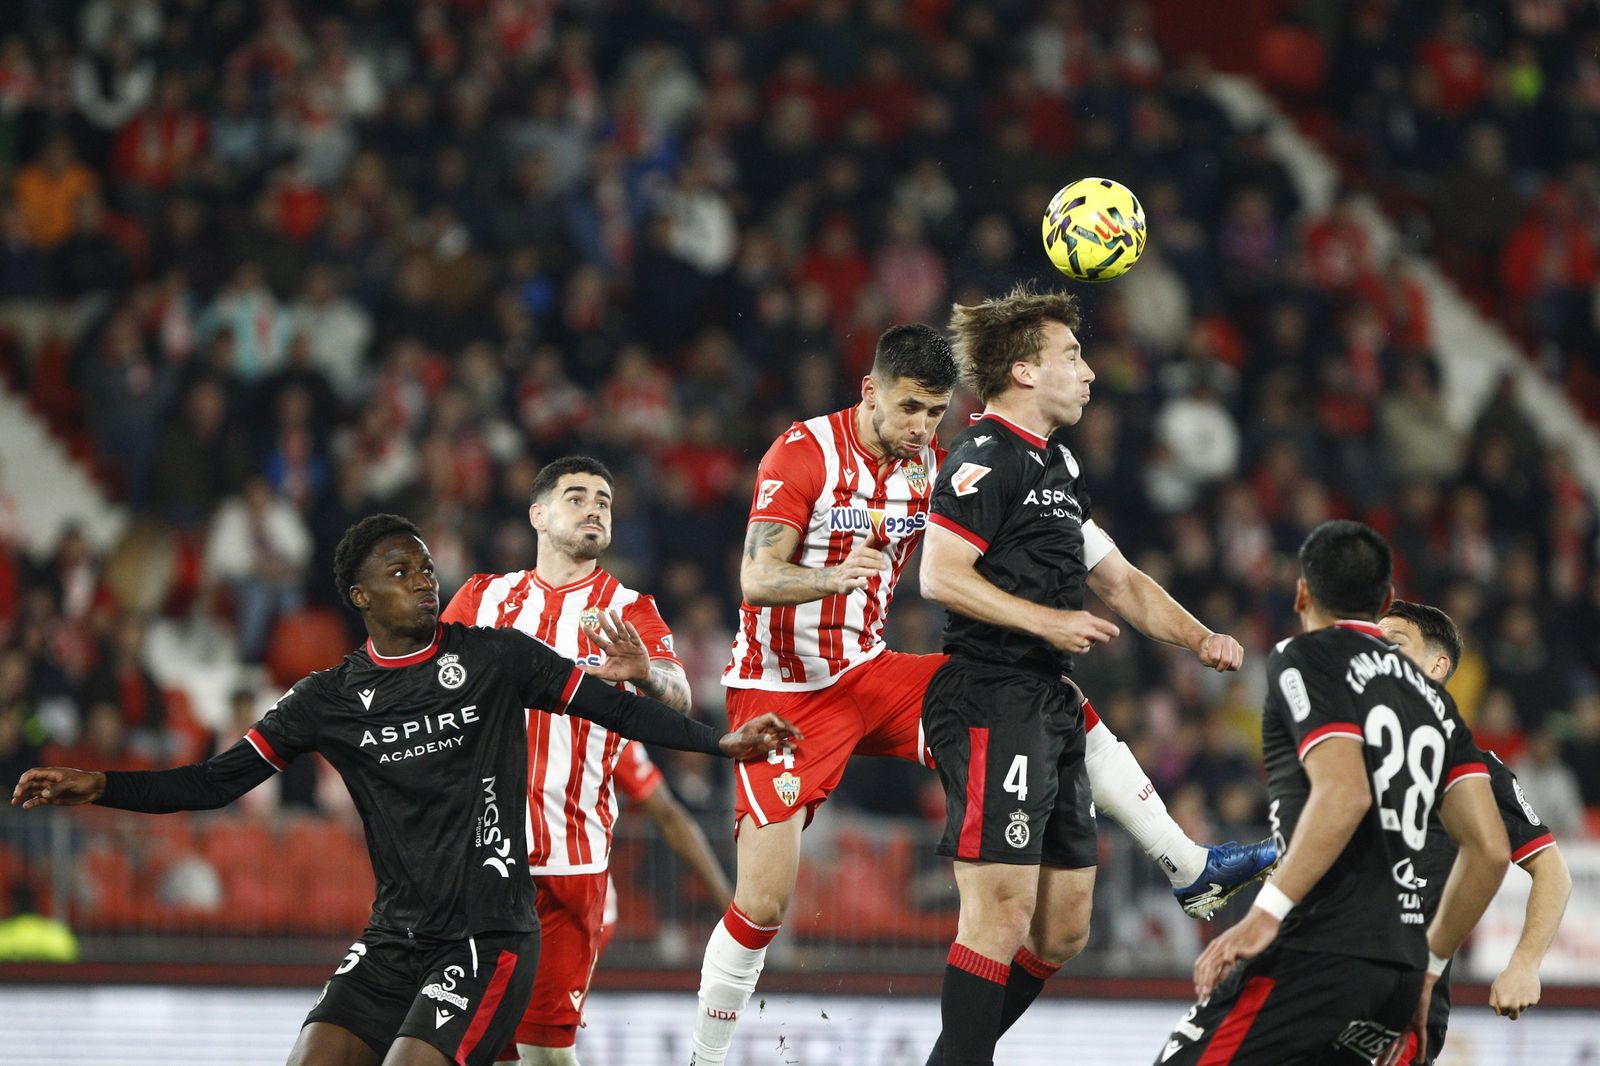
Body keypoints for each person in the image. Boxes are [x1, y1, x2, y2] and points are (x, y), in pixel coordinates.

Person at [690, 321, 1273, 1066]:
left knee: (1029, 691)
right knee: (764, 904)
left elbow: (1106, 569)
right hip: (782, 694)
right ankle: (706, 1059)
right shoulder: (802, 453)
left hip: (871, 673)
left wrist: (1192, 634)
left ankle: (1182, 862)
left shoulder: (936, 464)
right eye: (907, 409)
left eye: (934, 413)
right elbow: (755, 579)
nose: (920, 428)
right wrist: (825, 578)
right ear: (869, 390)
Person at [11, 514, 797, 1066]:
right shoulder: (327, 697)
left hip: (487, 936)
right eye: (401, 571)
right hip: (394, 938)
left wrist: (722, 743)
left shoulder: (493, 657)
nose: (424, 581)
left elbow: (614, 706)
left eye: (426, 567)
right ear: (360, 597)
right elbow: (216, 782)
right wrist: (98, 784)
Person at [917, 284, 1265, 1066]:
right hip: (988, 694)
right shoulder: (983, 457)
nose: (1090, 373)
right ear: (1023, 373)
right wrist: (1048, 621)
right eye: (1071, 357)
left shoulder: (1057, 465)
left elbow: (1122, 581)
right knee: (999, 915)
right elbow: (940, 576)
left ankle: (953, 1055)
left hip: (1046, 701)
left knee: (1064, 928)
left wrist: (1199, 636)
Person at [1158, 521, 1510, 1065]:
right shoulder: (1438, 705)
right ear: (1386, 600)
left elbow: (1345, 793)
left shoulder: (1307, 656)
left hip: (1319, 947)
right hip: (1399, 973)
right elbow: (1489, 851)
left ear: (1302, 592)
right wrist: (1431, 970)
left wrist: (1265, 914)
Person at [440, 455, 715, 1066]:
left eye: (605, 500)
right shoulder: (483, 597)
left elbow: (681, 696)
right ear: (538, 514)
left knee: (544, 1053)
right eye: (578, 496)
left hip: (574, 863)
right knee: (455, 1047)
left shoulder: (629, 608)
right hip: (481, 859)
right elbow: (428, 691)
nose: (595, 507)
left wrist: (645, 673)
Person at [1380, 600, 1572, 1065]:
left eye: (1393, 644)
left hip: (1397, 1002)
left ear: (1437, 666)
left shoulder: (1473, 772)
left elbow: (1552, 871)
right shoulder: (1340, 758)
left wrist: (1524, 963)